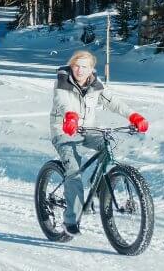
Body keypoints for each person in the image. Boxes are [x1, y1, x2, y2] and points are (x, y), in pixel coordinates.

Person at [50, 49, 149, 235]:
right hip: (65, 130)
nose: (79, 70)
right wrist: (70, 117)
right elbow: (62, 102)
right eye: (76, 66)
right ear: (71, 66)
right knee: (74, 173)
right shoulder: (62, 82)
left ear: (91, 69)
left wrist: (134, 116)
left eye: (84, 67)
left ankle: (100, 192)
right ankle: (70, 220)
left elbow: (114, 102)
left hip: (88, 130)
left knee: (107, 147)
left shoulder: (96, 85)